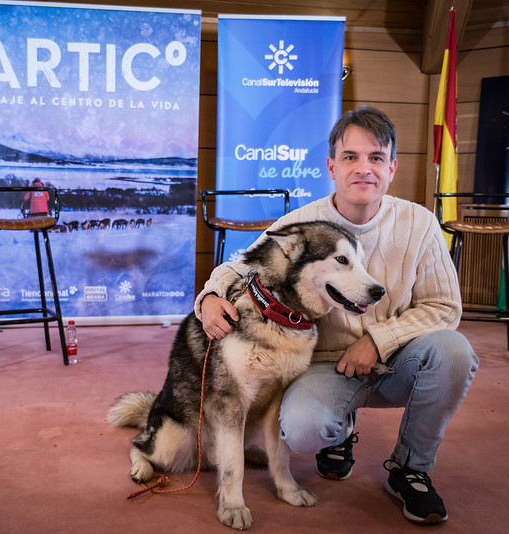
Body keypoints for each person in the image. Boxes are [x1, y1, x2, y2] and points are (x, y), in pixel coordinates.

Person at [195, 106, 478, 524]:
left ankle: (410, 469)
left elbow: (446, 307)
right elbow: (241, 263)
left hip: (399, 361)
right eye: (351, 157)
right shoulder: (304, 223)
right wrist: (209, 295)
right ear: (332, 165)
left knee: (454, 352)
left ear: (392, 167)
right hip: (325, 366)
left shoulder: (420, 223)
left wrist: (378, 340)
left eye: (376, 158)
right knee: (304, 428)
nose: (363, 168)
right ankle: (338, 432)